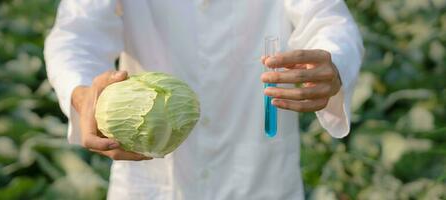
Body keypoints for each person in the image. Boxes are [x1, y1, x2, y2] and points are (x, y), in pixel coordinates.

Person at [44, 0, 363, 199]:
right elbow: (75, 34)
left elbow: (331, 21)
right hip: (153, 185)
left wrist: (333, 61)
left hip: (261, 181)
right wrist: (83, 93)